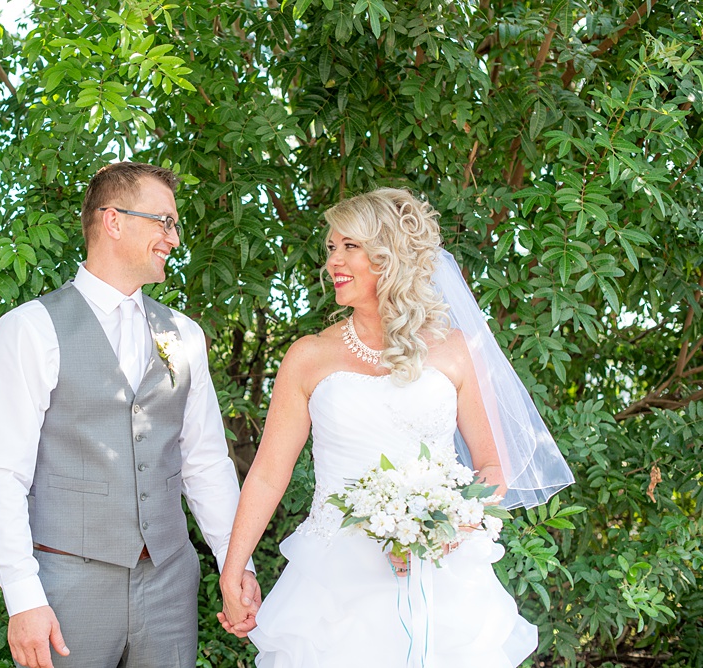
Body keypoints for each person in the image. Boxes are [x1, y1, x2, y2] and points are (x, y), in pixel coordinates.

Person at [217, 188, 574, 667]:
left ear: (389, 255)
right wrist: (232, 568)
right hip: (334, 586)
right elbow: (266, 474)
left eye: (350, 246)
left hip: (441, 575)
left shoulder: (454, 349)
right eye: (330, 248)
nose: (333, 261)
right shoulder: (308, 356)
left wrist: (447, 525)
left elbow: (491, 467)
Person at [0, 162, 260, 668]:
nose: (173, 238)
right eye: (163, 222)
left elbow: (206, 463)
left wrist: (237, 565)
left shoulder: (184, 335)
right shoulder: (30, 330)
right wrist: (23, 595)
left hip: (170, 583)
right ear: (113, 221)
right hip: (65, 587)